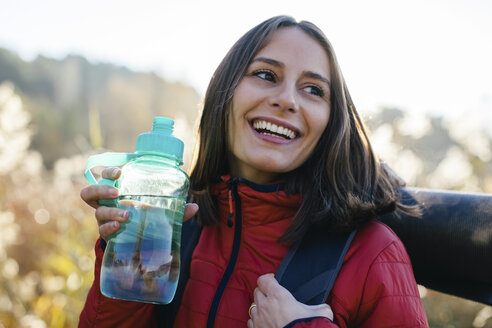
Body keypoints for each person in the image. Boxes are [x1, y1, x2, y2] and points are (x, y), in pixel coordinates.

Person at [79, 15, 429, 327]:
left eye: (313, 89)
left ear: (330, 121)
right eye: (266, 74)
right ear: (224, 93)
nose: (288, 100)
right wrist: (124, 259)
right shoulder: (180, 223)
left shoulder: (373, 254)